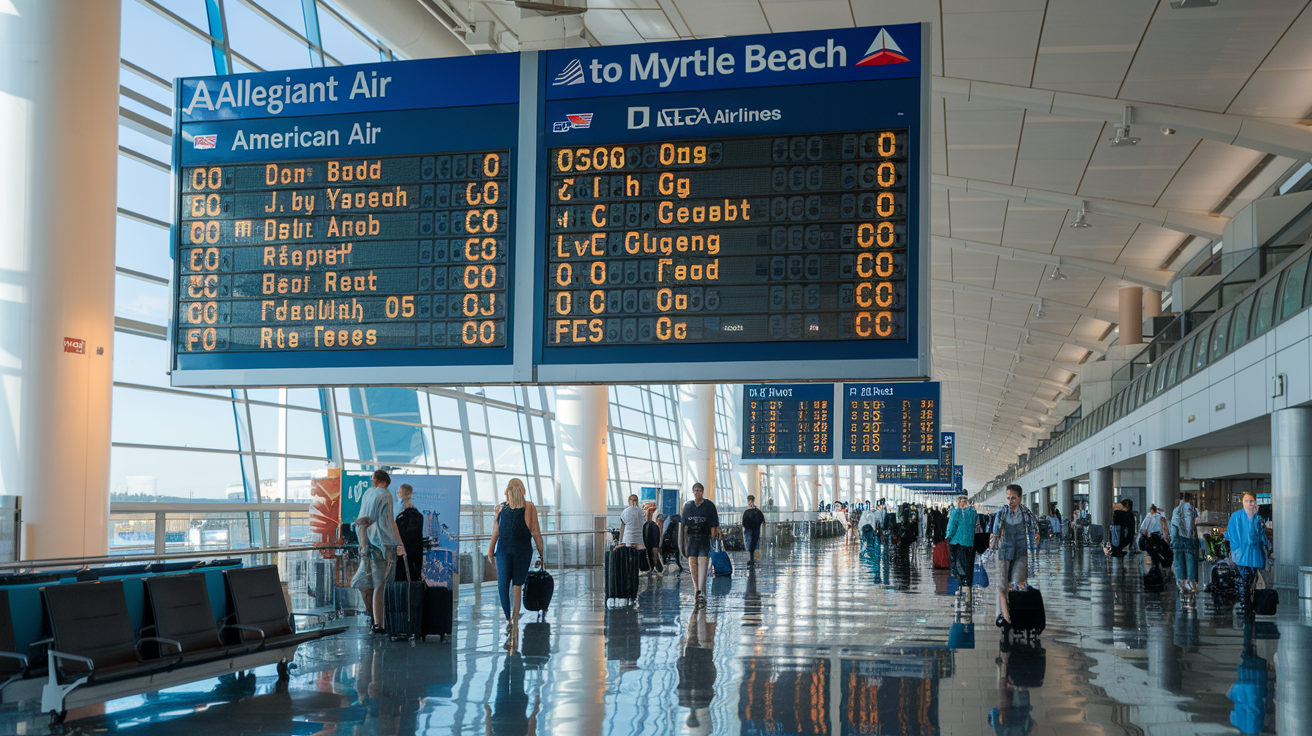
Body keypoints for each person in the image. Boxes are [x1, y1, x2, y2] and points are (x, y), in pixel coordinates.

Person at [486, 479, 546, 642]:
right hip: (522, 550)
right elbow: (535, 532)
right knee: (517, 585)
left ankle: (509, 619)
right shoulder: (529, 507)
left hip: (504, 550)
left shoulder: (501, 508)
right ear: (523, 491)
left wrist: (491, 550)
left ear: (508, 491)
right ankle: (514, 618)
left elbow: (496, 532)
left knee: (503, 584)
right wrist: (541, 554)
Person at [351, 469, 405, 634]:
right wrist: (399, 544)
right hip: (384, 545)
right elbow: (388, 522)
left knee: (376, 585)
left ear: (375, 479)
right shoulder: (386, 495)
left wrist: (364, 546)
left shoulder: (368, 494)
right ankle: (382, 623)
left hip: (368, 545)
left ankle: (376, 621)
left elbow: (363, 521)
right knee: (383, 585)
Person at [991, 484, 1039, 625]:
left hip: (1020, 551)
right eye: (1008, 498)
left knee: (1018, 583)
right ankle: (1003, 617)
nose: (1010, 501)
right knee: (1001, 585)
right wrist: (992, 547)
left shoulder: (1026, 513)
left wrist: (1034, 550)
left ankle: (1016, 614)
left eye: (1013, 498)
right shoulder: (1002, 513)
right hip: (1004, 550)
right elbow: (995, 532)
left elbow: (1034, 532)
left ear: (1020, 498)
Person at [1225, 491, 1270, 615]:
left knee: (1252, 577)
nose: (1249, 503)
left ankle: (1248, 600)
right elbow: (1231, 535)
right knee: (1246, 577)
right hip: (1242, 554)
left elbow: (1262, 535)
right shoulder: (1236, 516)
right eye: (1247, 501)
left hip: (1255, 553)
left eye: (1251, 501)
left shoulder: (1257, 518)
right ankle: (1246, 602)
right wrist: (1234, 551)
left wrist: (1269, 548)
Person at [680, 482, 721, 607]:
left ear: (702, 492)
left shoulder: (709, 506)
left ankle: (701, 589)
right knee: (692, 562)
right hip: (692, 538)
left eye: (699, 490)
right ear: (693, 492)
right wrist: (684, 543)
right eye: (695, 490)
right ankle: (697, 588)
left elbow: (714, 523)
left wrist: (714, 537)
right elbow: (684, 526)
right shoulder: (688, 506)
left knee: (703, 561)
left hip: (704, 537)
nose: (697, 492)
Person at [945, 495, 979, 601]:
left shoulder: (956, 512)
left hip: (957, 542)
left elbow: (951, 527)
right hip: (970, 542)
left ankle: (961, 589)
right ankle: (968, 589)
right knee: (968, 565)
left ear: (959, 502)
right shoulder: (973, 512)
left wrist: (947, 537)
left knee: (959, 566)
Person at [1170, 492, 1201, 593]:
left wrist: (1173, 539)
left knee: (1179, 562)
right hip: (1189, 539)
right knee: (1190, 562)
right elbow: (1197, 525)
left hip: (1177, 539)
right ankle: (1192, 585)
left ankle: (1181, 585)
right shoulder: (1194, 510)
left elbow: (1173, 527)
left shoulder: (1176, 510)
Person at [394, 483, 424, 582]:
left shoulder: (403, 517)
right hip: (415, 553)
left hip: (404, 552)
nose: (398, 495)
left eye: (399, 493)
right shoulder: (418, 516)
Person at [741, 495, 765, 565]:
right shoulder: (758, 511)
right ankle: (755, 559)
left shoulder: (746, 512)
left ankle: (750, 559)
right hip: (756, 531)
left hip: (748, 531)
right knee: (755, 545)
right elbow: (763, 521)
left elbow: (743, 522)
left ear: (748, 501)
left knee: (748, 545)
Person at [641, 504, 664, 574]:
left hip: (648, 528)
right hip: (654, 528)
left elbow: (647, 519)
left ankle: (652, 565)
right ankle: (655, 562)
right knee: (654, 546)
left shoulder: (648, 511)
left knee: (648, 548)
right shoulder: (657, 511)